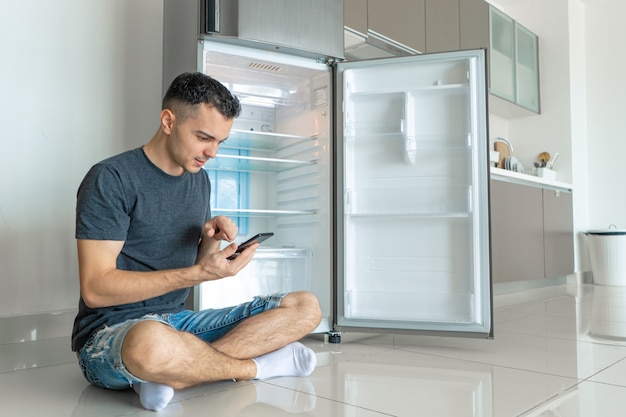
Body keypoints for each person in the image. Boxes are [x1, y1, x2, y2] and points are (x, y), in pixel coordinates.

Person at [71, 72, 322, 412]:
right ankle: (254, 368)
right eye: (204, 137)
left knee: (305, 307)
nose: (212, 152)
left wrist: (211, 244)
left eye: (220, 141)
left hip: (178, 325)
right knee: (151, 344)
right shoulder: (111, 178)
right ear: (168, 121)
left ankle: (171, 375)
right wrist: (200, 274)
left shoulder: (198, 180)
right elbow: (96, 288)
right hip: (113, 333)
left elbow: (197, 266)